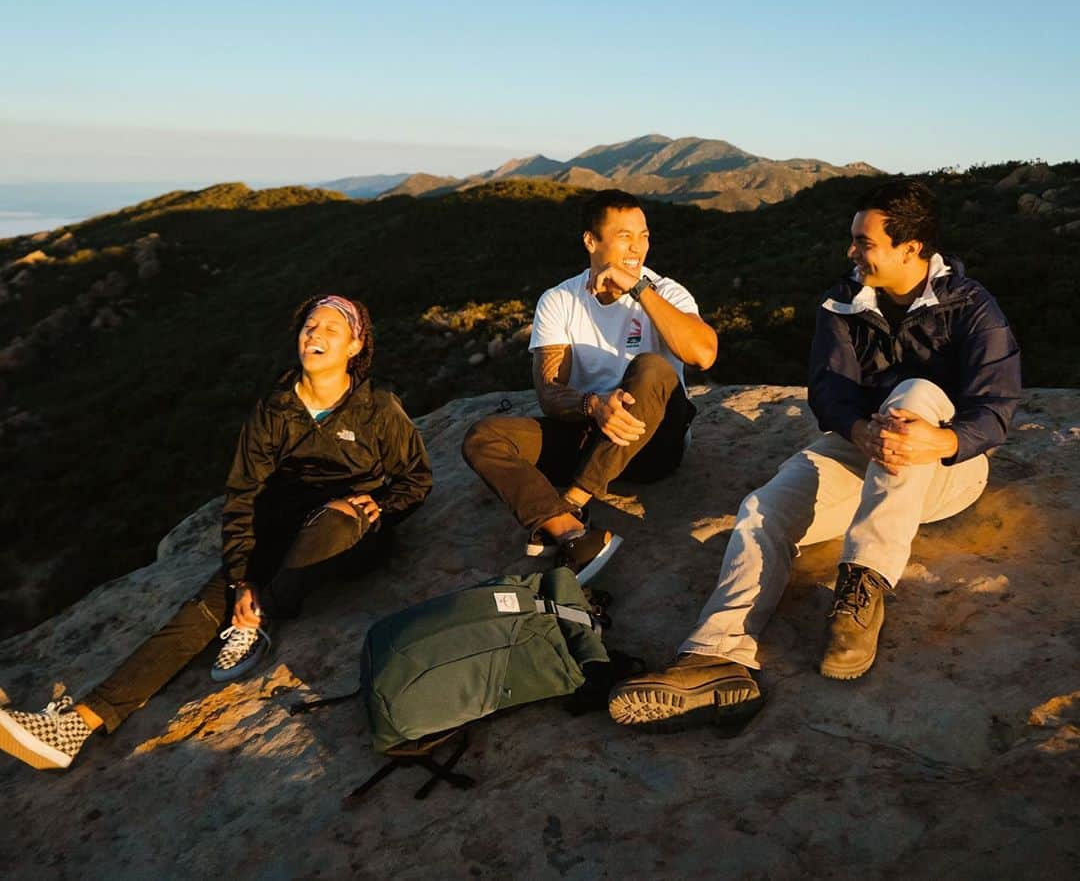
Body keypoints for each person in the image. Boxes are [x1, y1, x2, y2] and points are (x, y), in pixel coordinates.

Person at [609, 179, 1021, 730]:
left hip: (948, 468)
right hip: (861, 447)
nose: (851, 251)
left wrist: (941, 440)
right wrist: (859, 432)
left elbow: (997, 407)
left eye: (864, 242)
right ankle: (717, 660)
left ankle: (862, 589)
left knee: (914, 397)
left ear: (911, 248)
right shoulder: (844, 301)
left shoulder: (972, 309)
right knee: (763, 510)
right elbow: (828, 391)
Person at [0, 295, 432, 770]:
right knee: (203, 608)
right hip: (282, 535)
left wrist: (384, 506)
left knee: (334, 518)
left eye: (332, 328)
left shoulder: (377, 408)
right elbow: (243, 497)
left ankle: (263, 613)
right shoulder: (274, 410)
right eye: (310, 326)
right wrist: (243, 579)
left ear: (355, 346)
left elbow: (416, 478)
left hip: (348, 538)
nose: (316, 335)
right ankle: (76, 725)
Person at [462, 189, 717, 582]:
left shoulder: (665, 291)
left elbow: (703, 355)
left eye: (644, 235)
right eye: (625, 236)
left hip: (653, 444)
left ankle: (574, 499)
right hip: (589, 430)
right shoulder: (560, 300)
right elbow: (549, 392)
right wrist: (595, 406)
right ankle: (570, 530)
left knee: (651, 367)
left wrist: (639, 289)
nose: (638, 247)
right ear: (591, 241)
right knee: (484, 438)